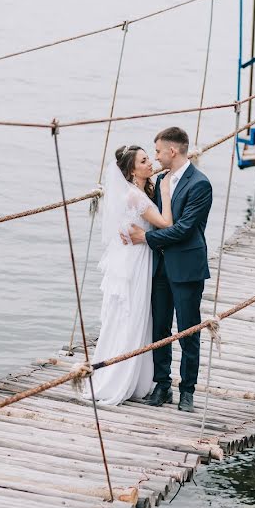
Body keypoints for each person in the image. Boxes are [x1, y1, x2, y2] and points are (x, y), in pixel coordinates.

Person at [126, 127, 212, 412]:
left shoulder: (200, 184)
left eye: (159, 151)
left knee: (188, 330)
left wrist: (145, 238)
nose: (156, 157)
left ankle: (187, 390)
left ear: (172, 151)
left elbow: (185, 230)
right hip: (160, 265)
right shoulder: (160, 180)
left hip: (187, 266)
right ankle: (162, 384)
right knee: (160, 327)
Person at [87, 145, 174, 405]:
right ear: (131, 170)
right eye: (144, 161)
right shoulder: (135, 197)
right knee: (133, 315)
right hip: (137, 261)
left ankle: (132, 375)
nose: (150, 164)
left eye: (149, 159)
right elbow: (166, 224)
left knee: (128, 315)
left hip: (131, 257)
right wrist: (167, 193)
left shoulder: (135, 192)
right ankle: (123, 376)